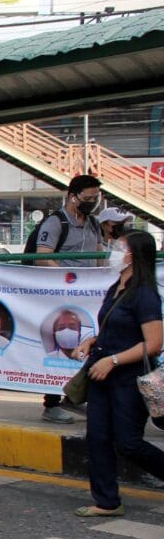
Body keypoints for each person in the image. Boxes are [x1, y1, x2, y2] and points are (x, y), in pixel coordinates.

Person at [71, 231, 164, 517]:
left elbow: (154, 343)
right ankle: (106, 501)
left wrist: (112, 360)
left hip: (128, 379)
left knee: (128, 442)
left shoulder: (145, 294)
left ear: (133, 255)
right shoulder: (116, 288)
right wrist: (91, 341)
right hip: (101, 376)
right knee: (97, 438)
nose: (113, 251)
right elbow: (113, 328)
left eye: (119, 247)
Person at [35, 174, 105, 423]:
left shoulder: (93, 223)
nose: (93, 202)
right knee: (58, 349)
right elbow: (42, 255)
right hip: (62, 297)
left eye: (96, 197)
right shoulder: (56, 223)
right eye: (88, 197)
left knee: (89, 345)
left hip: (89, 297)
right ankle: (51, 403)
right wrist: (68, 281)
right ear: (73, 196)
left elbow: (100, 256)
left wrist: (102, 280)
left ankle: (73, 397)